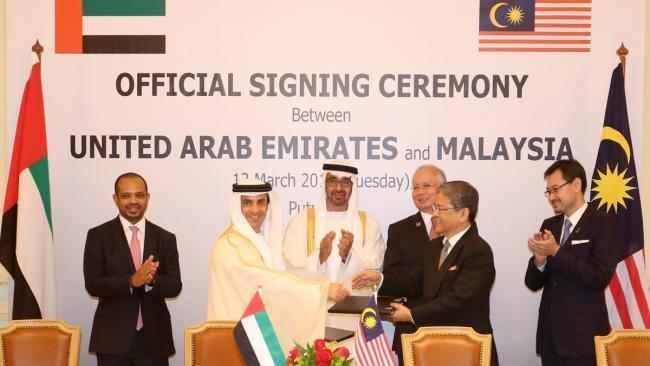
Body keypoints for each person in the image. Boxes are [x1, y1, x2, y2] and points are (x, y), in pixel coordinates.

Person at [207, 179, 348, 351]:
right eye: (247, 203)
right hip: (237, 343)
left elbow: (284, 275)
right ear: (238, 205)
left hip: (257, 338)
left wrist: (323, 285)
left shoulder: (261, 241)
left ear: (268, 205)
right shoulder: (229, 244)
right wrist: (323, 290)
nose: (255, 210)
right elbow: (266, 282)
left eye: (261, 202)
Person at [390, 181, 498, 366]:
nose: (434, 215)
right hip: (430, 346)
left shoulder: (478, 250)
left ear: (463, 213)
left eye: (440, 209)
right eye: (434, 208)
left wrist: (412, 314)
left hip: (463, 349)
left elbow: (459, 299)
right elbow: (415, 282)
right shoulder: (433, 247)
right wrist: (378, 279)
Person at [525, 159, 618, 366]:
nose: (551, 197)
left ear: (576, 185)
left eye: (556, 189)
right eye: (548, 191)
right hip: (551, 338)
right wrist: (540, 259)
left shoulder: (603, 222)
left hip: (584, 339)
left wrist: (556, 252)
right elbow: (533, 283)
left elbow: (598, 277)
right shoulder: (550, 224)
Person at [83, 172, 182, 366]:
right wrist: (131, 281)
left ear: (148, 197)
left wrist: (152, 279)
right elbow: (93, 284)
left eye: (139, 195)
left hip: (154, 340)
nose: (133, 201)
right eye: (126, 196)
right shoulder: (98, 236)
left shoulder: (165, 238)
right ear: (116, 199)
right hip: (112, 340)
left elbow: (175, 286)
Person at [351, 165, 446, 355]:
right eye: (415, 187)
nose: (419, 192)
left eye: (426, 186)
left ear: (442, 190)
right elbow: (392, 278)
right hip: (411, 328)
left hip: (452, 326)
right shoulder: (400, 230)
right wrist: (380, 279)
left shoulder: (457, 224)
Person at [283, 162, 385, 284]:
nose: (339, 188)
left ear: (353, 186)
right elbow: (292, 270)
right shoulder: (301, 222)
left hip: (354, 301)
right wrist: (319, 258)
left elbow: (375, 271)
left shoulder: (369, 224)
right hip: (314, 301)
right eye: (332, 181)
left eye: (345, 182)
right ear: (324, 184)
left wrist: (349, 257)